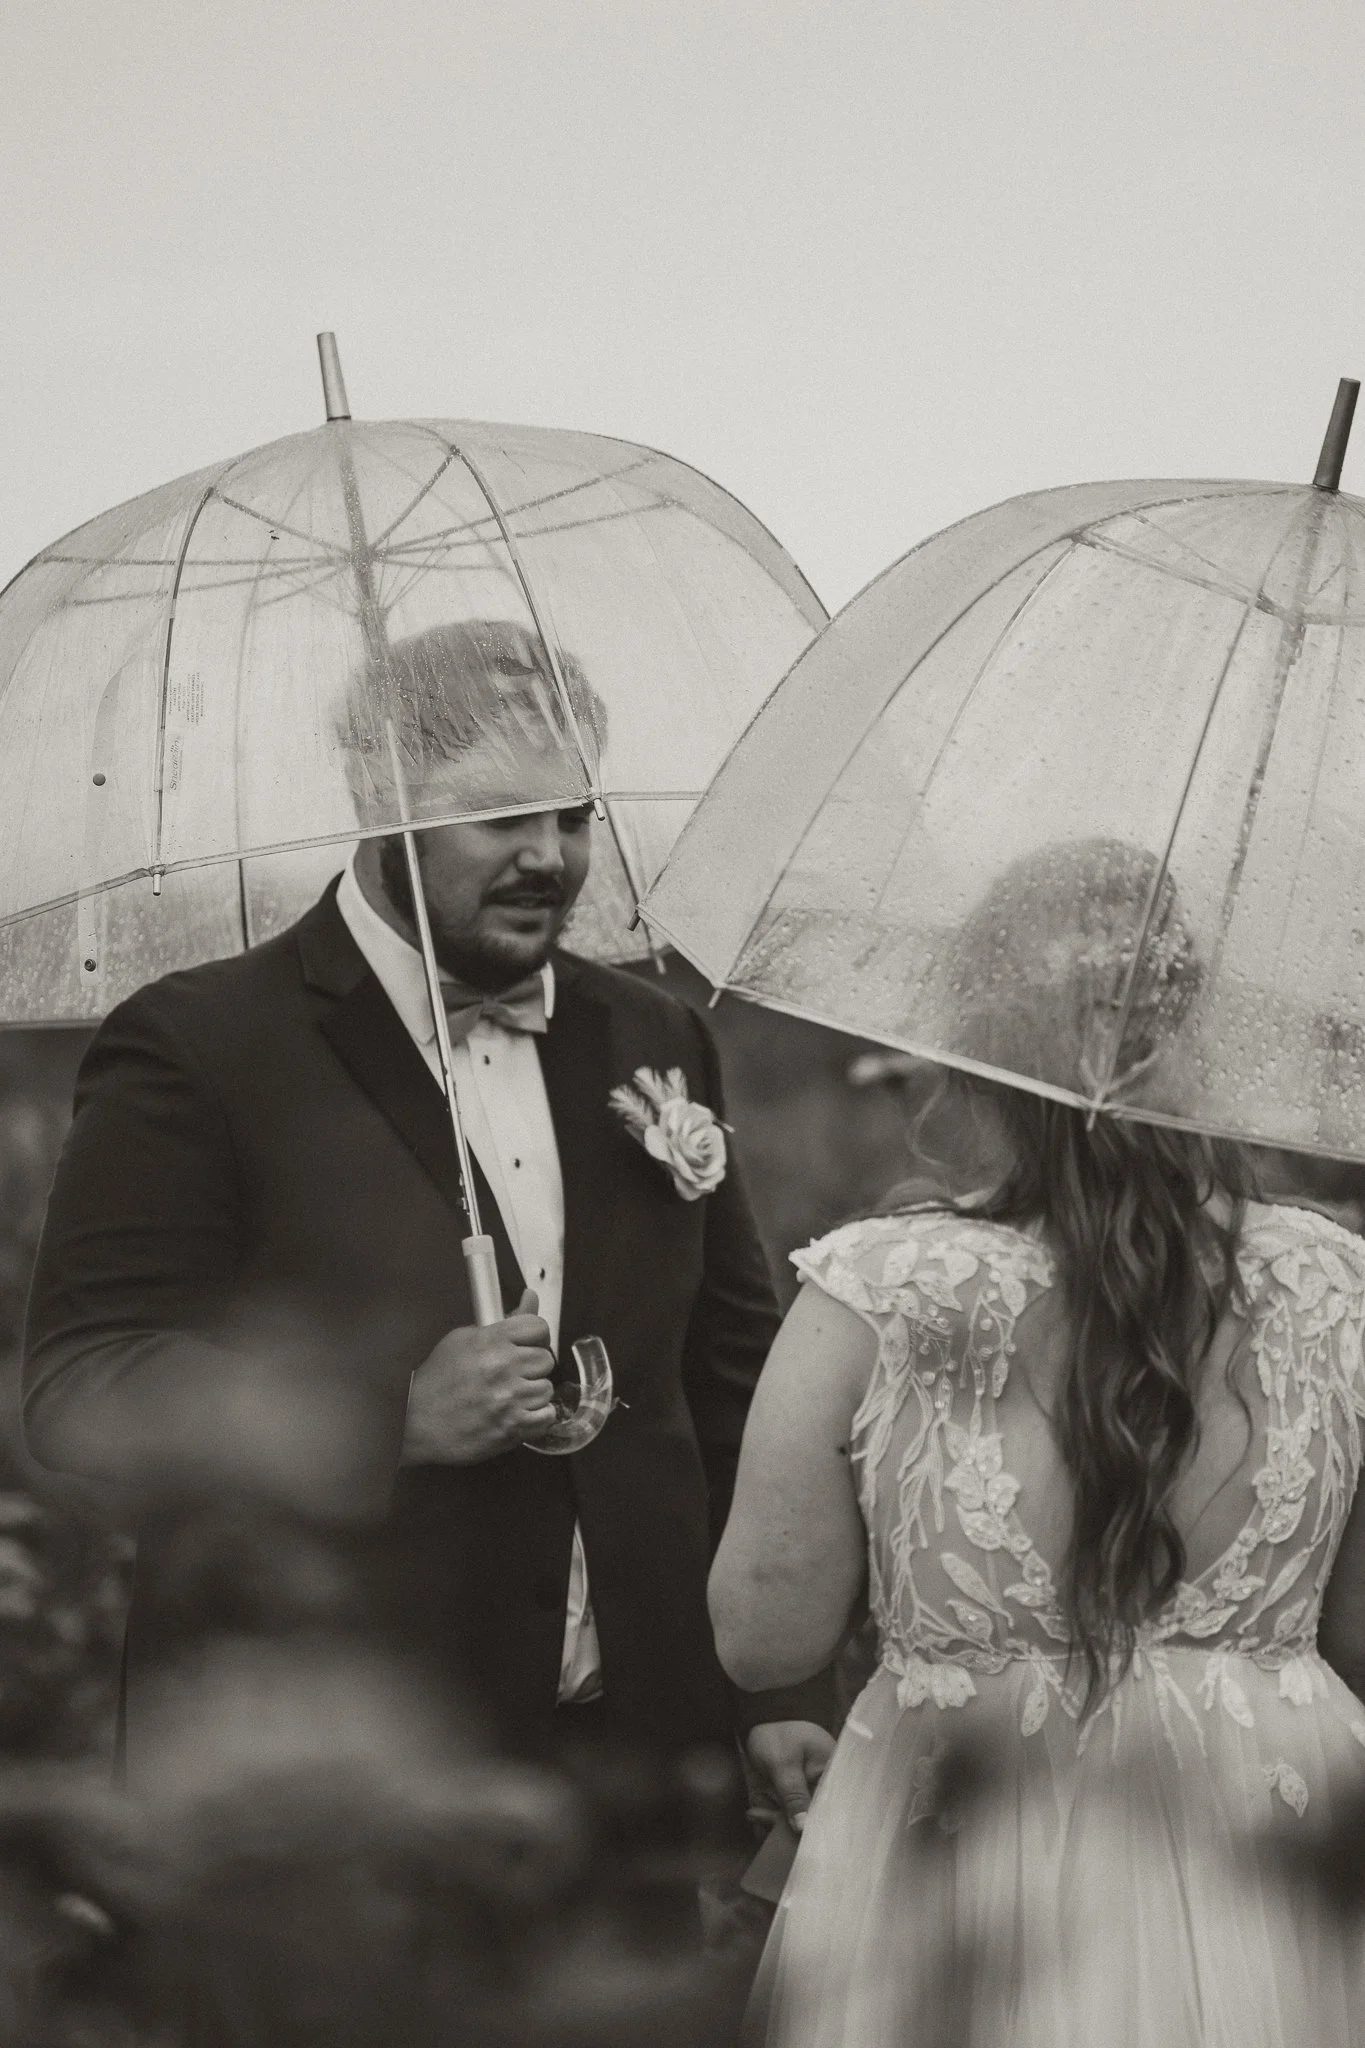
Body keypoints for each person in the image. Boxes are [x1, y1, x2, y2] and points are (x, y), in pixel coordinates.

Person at [22, 617, 833, 1820]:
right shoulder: (198, 1045)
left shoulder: (657, 1035)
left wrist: (780, 1683)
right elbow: (83, 1392)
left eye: (572, 816)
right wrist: (389, 1417)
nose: (550, 857)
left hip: (646, 1752)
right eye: (502, 817)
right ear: (378, 791)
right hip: (338, 1776)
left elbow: (738, 1384)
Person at [710, 839, 1365, 2046]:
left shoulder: (879, 1285)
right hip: (1269, 1841)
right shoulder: (1336, 1280)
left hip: (967, 1838)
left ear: (976, 1037)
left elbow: (764, 1636)